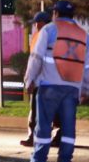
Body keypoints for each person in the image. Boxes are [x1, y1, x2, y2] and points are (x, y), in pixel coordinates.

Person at [18, 0, 89, 162]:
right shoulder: (83, 35)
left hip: (49, 85)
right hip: (72, 88)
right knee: (68, 129)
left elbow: (36, 57)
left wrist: (29, 80)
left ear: (55, 14)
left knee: (44, 126)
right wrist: (86, 89)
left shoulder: (49, 30)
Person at [20, 11, 61, 148]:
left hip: (41, 80)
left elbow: (35, 59)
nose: (35, 25)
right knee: (55, 111)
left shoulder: (43, 35)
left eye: (37, 23)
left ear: (43, 22)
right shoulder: (55, 33)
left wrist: (29, 79)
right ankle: (56, 137)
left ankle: (35, 137)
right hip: (55, 80)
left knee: (37, 111)